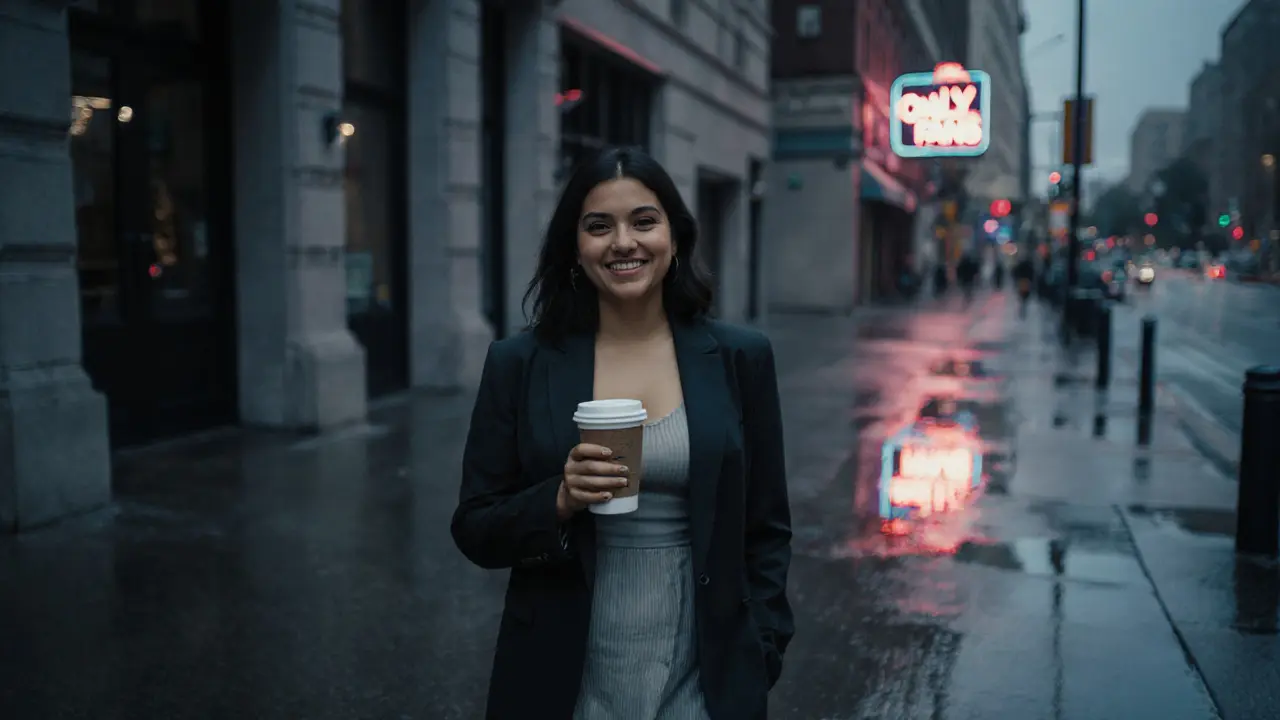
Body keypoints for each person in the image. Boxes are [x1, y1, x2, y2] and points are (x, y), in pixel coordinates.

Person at [452, 146, 794, 720]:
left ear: (675, 237)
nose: (623, 242)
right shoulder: (520, 363)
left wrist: (761, 648)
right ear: (574, 247)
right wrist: (556, 501)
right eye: (598, 226)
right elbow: (475, 526)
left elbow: (766, 526)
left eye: (644, 221)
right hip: (565, 665)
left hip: (705, 665)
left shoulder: (740, 358)